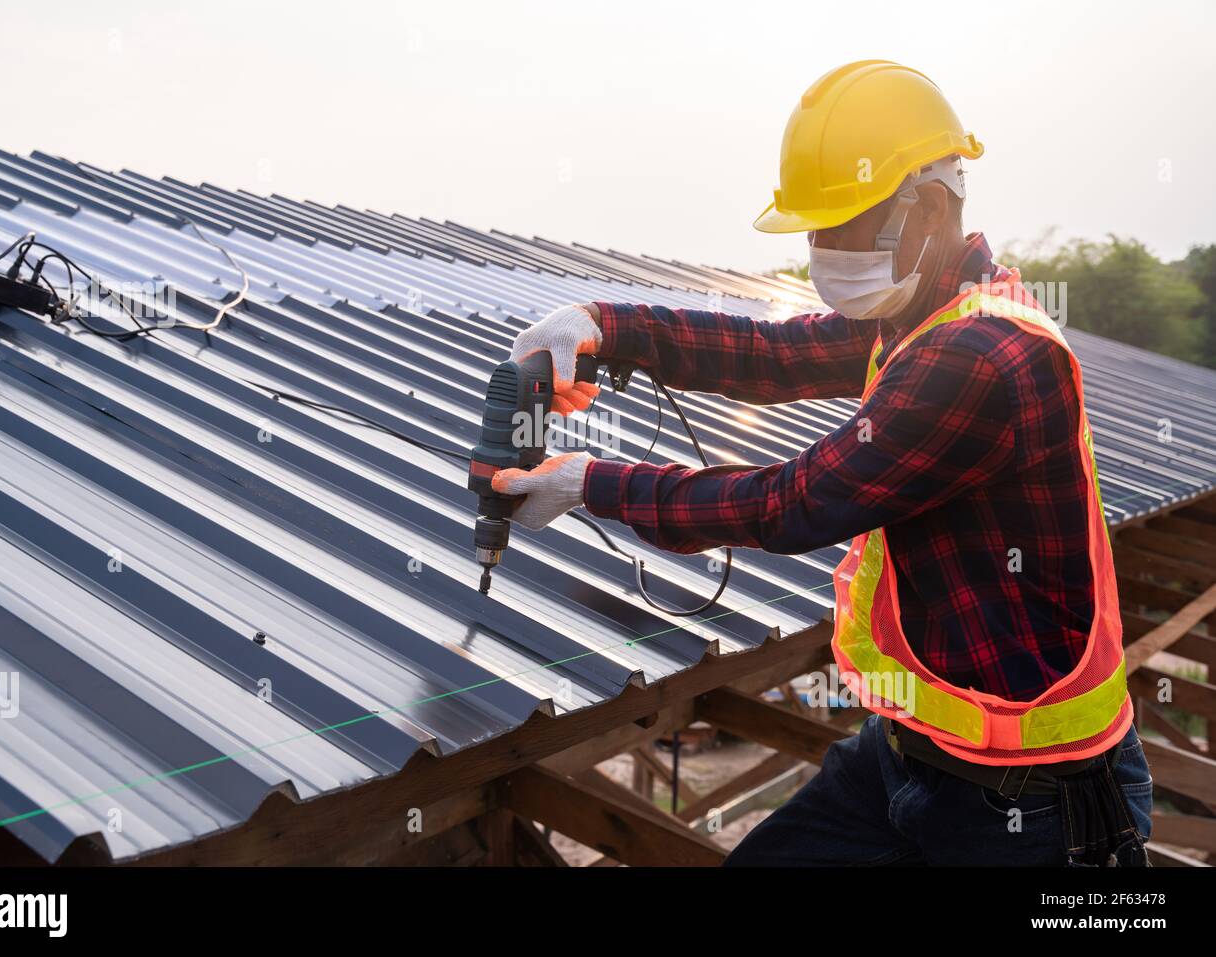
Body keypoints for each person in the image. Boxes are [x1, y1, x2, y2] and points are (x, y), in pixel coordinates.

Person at [491, 60, 1152, 866]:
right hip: (912, 750)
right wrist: (601, 324)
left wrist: (589, 482)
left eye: (843, 226)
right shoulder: (916, 312)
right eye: (815, 230)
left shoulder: (983, 353)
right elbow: (766, 353)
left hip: (1041, 803)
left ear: (931, 209)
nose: (822, 253)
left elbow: (795, 502)